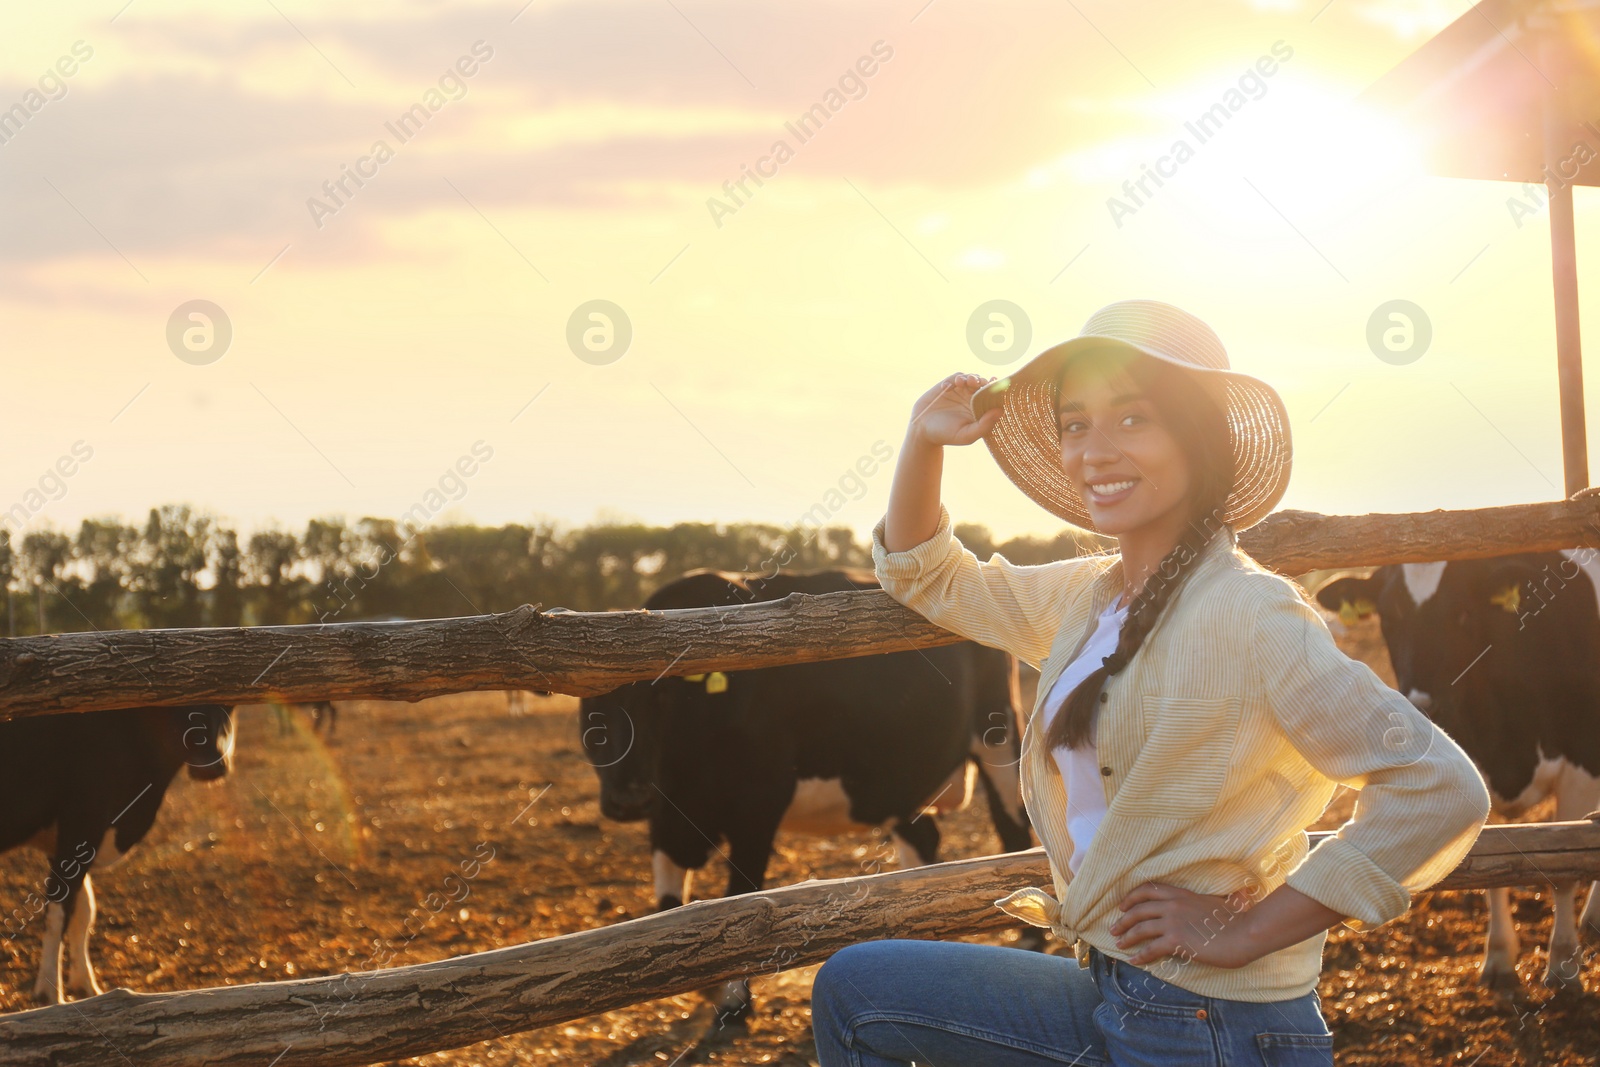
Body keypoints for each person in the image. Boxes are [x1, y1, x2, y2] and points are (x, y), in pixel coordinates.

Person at [809, 299, 1491, 1066]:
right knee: (856, 991)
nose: (1093, 450)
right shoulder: (1091, 597)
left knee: (860, 994)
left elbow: (1440, 786)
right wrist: (921, 439)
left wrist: (1246, 929)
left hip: (1212, 1026)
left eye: (1132, 419)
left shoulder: (1249, 610)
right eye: (1075, 424)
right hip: (1117, 989)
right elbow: (929, 575)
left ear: (1198, 438)